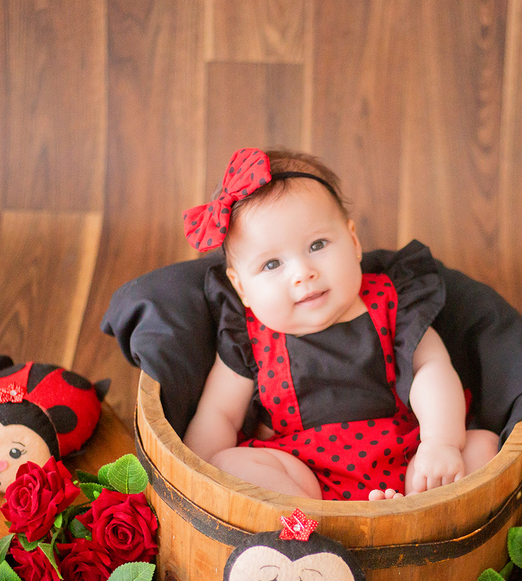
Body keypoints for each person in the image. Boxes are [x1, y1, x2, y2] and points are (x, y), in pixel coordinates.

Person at [182, 148, 498, 500]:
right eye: (272, 265)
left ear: (353, 241)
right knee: (227, 462)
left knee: (483, 446)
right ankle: (314, 531)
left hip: (410, 461)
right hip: (303, 479)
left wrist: (441, 444)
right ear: (241, 288)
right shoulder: (248, 337)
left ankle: (413, 517)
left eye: (317, 244)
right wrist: (193, 471)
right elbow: (219, 414)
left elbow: (432, 370)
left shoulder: (393, 302)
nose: (303, 273)